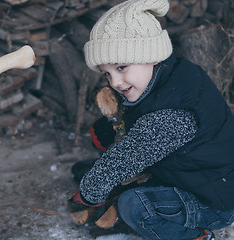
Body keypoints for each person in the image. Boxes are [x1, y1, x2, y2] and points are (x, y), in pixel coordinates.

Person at [67, 0, 234, 239]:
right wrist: (103, 132)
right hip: (189, 175)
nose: (114, 82)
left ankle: (194, 236)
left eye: (121, 67)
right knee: (91, 171)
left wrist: (88, 194)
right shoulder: (162, 79)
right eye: (107, 73)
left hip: (215, 200)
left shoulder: (172, 116)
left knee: (134, 206)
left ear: (151, 56)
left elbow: (125, 158)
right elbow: (133, 117)